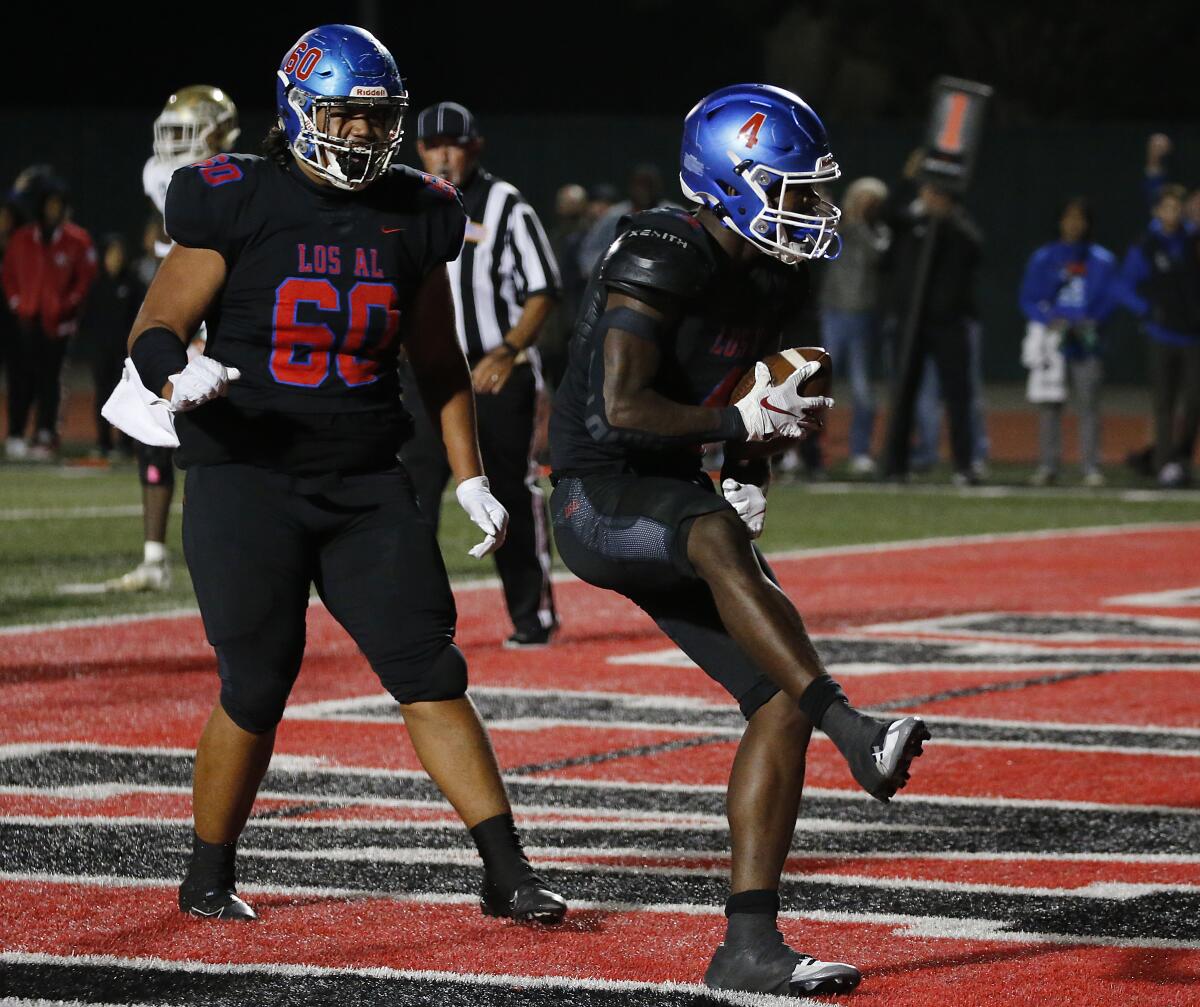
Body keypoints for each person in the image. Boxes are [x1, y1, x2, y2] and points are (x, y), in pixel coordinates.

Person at [108, 24, 565, 925]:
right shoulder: (233, 195)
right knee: (258, 679)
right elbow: (155, 326)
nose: (360, 135)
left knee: (429, 669)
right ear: (298, 112)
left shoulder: (417, 209)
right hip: (248, 474)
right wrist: (173, 370)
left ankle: (506, 871)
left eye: (374, 118)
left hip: (365, 478)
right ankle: (207, 873)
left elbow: (438, 365)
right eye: (344, 117)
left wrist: (472, 477)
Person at [548, 83, 929, 997]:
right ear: (728, 181)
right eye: (795, 190)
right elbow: (622, 406)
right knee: (721, 544)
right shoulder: (662, 245)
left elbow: (778, 391)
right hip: (595, 496)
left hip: (677, 497)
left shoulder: (774, 269)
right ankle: (856, 728)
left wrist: (753, 463)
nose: (813, 210)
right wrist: (732, 434)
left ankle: (749, 945)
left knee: (777, 698)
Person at [404, 101, 561, 647]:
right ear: (419, 149)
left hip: (495, 373)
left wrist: (509, 350)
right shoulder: (404, 202)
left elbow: (544, 287)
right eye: (434, 145)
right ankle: (415, 621)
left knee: (508, 495)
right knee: (409, 497)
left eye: (455, 144)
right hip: (423, 375)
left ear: (475, 148)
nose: (444, 155)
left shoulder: (504, 203)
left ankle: (531, 615)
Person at [104, 86, 241, 592]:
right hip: (179, 311)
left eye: (186, 130)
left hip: (225, 319)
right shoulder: (163, 178)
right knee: (151, 430)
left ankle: (241, 555)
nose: (174, 143)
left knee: (221, 446)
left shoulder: (241, 180)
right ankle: (154, 558)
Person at [879, 180, 983, 484]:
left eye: (939, 194)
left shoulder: (958, 230)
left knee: (958, 395)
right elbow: (887, 216)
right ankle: (896, 465)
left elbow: (975, 250)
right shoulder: (910, 225)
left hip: (949, 323)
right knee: (903, 394)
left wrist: (947, 216)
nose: (932, 198)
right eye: (928, 192)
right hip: (911, 321)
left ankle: (964, 464)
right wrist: (907, 180)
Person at [1019, 197, 1118, 486]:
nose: (1074, 224)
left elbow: (1110, 297)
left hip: (1087, 340)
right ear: (1060, 221)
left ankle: (1090, 466)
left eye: (1080, 218)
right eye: (1069, 217)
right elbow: (1028, 297)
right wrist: (1047, 318)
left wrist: (1090, 321)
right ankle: (1048, 465)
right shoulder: (1044, 257)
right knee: (1050, 402)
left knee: (1088, 403)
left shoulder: (1101, 259)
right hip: (1053, 339)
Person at [1, 173, 96, 460]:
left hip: (58, 325)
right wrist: (17, 302)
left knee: (49, 382)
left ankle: (44, 433)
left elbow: (85, 279)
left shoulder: (77, 240)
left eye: (59, 205)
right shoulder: (22, 238)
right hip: (26, 321)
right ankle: (16, 432)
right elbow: (8, 274)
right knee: (20, 381)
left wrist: (69, 304)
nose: (54, 210)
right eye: (50, 204)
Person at [1117, 183, 1200, 487]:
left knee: (1194, 401)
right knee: (1164, 404)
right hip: (1162, 335)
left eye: (1177, 209)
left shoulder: (1192, 240)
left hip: (1193, 336)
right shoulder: (1148, 245)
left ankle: (1180, 456)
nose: (1172, 214)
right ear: (1157, 211)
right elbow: (1123, 286)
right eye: (1166, 208)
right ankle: (1165, 464)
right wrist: (1148, 310)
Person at [817, 176, 890, 474]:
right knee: (816, 386)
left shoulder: (879, 231)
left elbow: (877, 255)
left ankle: (860, 450)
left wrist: (861, 222)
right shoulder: (839, 226)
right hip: (832, 312)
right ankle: (811, 453)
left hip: (862, 315)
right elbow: (818, 233)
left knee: (862, 389)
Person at [82, 234, 144, 457]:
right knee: (102, 395)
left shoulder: (133, 284)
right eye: (111, 254)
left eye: (118, 254)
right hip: (101, 351)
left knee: (126, 396)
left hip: (125, 352)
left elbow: (140, 317)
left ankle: (125, 445)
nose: (115, 259)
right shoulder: (96, 285)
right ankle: (103, 443)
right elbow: (88, 319)